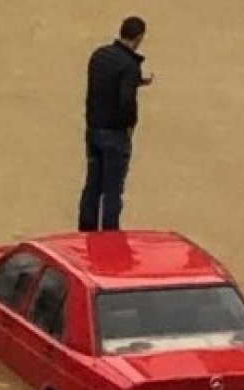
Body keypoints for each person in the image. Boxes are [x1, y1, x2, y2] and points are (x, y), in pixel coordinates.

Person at [78, 16, 153, 232]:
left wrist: (137, 80)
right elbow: (126, 102)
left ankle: (86, 231)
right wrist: (130, 127)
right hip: (115, 134)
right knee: (112, 191)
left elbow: (104, 83)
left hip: (94, 129)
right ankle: (110, 238)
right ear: (139, 38)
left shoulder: (99, 56)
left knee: (92, 184)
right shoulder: (129, 65)